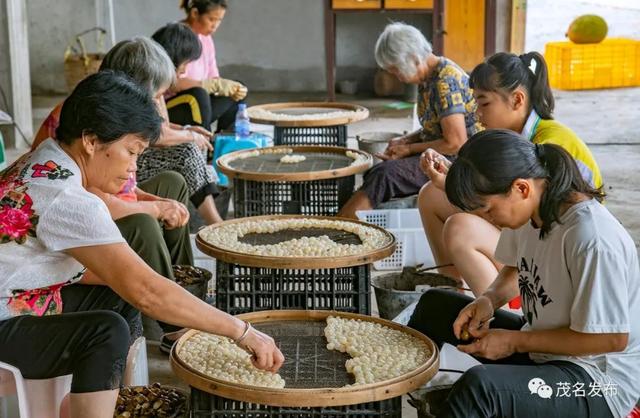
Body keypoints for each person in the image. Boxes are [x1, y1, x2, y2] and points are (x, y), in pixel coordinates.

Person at [0, 71, 284, 418]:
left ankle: (81, 403)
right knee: (106, 333)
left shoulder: (44, 160)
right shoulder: (68, 198)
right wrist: (243, 332)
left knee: (118, 290)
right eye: (131, 151)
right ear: (91, 140)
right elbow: (148, 292)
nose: (132, 168)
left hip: (15, 296)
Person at [409, 130, 639, 418]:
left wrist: (513, 341)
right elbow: (517, 267)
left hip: (597, 384)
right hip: (547, 353)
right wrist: (488, 300)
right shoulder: (533, 213)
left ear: (521, 188)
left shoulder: (592, 239)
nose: (487, 219)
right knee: (435, 306)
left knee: (481, 389)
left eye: (489, 210)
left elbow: (611, 339)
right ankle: (392, 393)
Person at [418, 52, 602, 296]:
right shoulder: (513, 138)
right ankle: (453, 293)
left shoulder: (552, 142)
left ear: (516, 100)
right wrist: (450, 180)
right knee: (431, 194)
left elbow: (525, 216)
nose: (477, 115)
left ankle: (502, 313)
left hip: (553, 249)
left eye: (484, 104)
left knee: (460, 228)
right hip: (524, 228)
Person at [33, 37, 224, 225]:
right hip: (86, 207)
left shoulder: (118, 115)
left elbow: (128, 187)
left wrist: (156, 204)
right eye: (155, 97)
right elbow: (98, 200)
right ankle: (214, 224)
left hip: (104, 194)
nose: (157, 103)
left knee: (172, 188)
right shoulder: (95, 118)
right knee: (144, 224)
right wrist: (153, 209)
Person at [338, 22, 482, 218]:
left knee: (384, 175)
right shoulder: (428, 78)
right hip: (443, 154)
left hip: (461, 162)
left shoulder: (445, 82)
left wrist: (408, 150)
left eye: (396, 69)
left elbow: (455, 142)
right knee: (377, 172)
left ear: (414, 58)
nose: (396, 76)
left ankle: (338, 229)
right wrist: (406, 141)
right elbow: (435, 129)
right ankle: (355, 220)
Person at [167, 0, 247, 132]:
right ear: (195, 13)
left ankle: (224, 142)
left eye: (219, 20)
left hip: (200, 101)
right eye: (211, 19)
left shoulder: (206, 39)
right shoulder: (174, 35)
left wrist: (223, 86)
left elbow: (213, 77)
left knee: (237, 90)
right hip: (173, 105)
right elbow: (169, 82)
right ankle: (205, 142)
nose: (215, 25)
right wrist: (204, 85)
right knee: (198, 94)